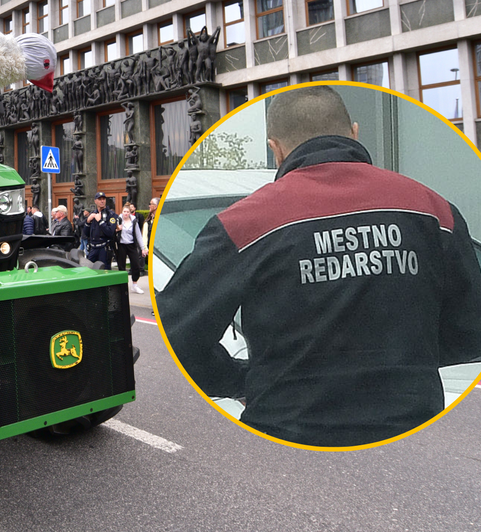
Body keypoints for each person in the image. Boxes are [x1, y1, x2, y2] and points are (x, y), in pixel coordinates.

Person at [155, 85, 481, 447]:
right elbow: (471, 330)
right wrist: (404, 366)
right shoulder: (435, 211)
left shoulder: (244, 224)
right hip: (412, 427)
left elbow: (178, 334)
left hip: (286, 430)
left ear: (275, 148)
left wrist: (240, 380)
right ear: (355, 132)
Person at [116, 203, 149, 294]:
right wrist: (117, 229)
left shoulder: (134, 221)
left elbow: (138, 235)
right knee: (121, 266)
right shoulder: (118, 220)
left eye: (127, 212)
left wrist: (143, 248)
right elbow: (112, 232)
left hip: (131, 245)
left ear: (130, 213)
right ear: (122, 212)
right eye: (124, 212)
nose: (125, 213)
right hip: (121, 245)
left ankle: (135, 284)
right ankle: (122, 286)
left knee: (136, 264)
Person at [84, 192, 117, 269]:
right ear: (95, 201)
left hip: (104, 248)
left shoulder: (111, 215)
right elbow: (86, 233)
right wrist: (88, 222)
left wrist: (100, 221)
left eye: (103, 199)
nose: (102, 201)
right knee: (89, 270)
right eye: (99, 199)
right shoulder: (93, 214)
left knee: (104, 271)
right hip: (93, 248)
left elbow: (110, 232)